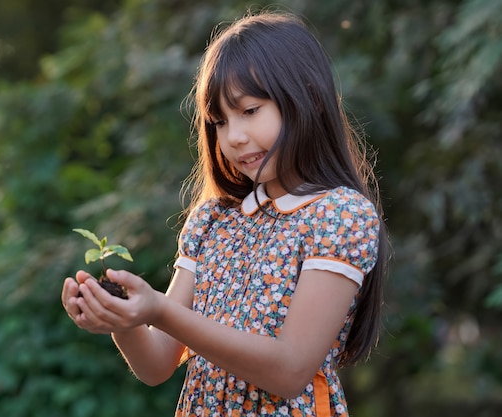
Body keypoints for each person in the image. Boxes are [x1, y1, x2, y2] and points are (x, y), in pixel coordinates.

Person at [62, 10, 389, 417]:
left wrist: (159, 311)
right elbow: (158, 363)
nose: (234, 137)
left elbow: (289, 372)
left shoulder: (338, 217)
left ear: (308, 98)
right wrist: (123, 321)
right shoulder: (213, 221)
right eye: (219, 121)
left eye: (250, 111)